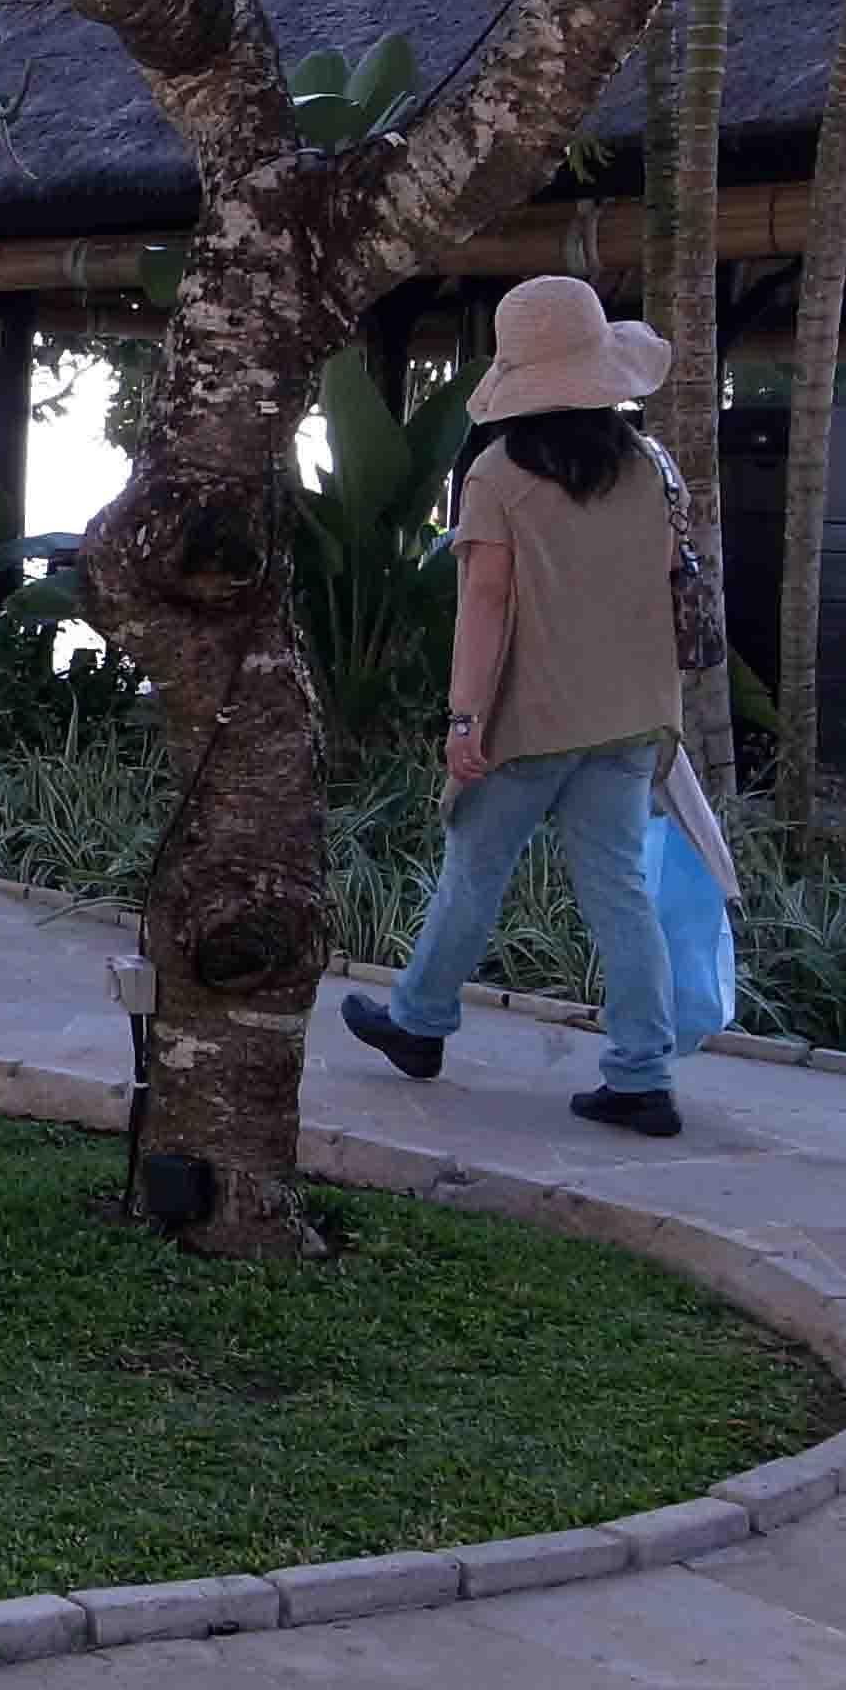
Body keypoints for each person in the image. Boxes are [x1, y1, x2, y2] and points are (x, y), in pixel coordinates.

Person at [341, 275, 694, 1137]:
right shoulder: (650, 465)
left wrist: (465, 718)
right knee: (621, 891)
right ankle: (644, 1076)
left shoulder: (498, 474)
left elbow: (487, 600)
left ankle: (419, 1025)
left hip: (528, 717)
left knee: (474, 873)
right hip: (629, 712)